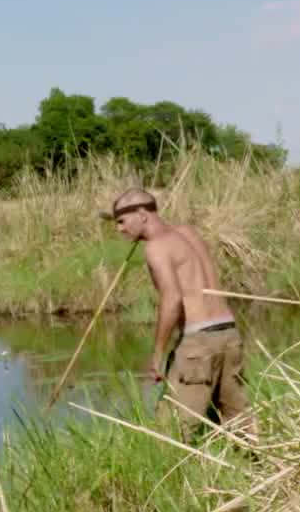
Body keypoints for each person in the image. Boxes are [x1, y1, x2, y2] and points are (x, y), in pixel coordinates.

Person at [105, 188, 249, 438]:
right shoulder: (188, 233)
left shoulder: (156, 247)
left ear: (142, 214)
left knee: (171, 432)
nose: (119, 229)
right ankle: (258, 458)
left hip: (200, 344)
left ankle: (172, 463)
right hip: (229, 334)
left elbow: (172, 299)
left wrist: (158, 354)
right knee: (239, 420)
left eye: (121, 221)